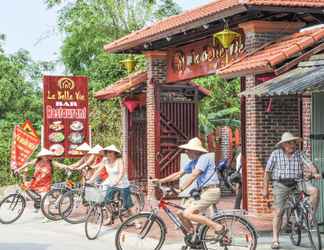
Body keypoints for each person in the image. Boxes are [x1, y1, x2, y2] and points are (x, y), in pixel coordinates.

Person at [153, 137, 226, 239]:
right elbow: (178, 174)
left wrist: (181, 189)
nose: (186, 152)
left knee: (187, 213)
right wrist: (160, 181)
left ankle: (217, 227)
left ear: (195, 151)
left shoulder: (203, 158)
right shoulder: (193, 162)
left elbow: (194, 175)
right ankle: (193, 236)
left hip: (211, 191)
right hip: (202, 192)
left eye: (188, 150)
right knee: (180, 213)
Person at [262, 132, 320, 249]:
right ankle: (275, 240)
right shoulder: (276, 154)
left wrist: (315, 173)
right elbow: (267, 172)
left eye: (293, 142)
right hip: (281, 184)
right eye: (289, 143)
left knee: (315, 191)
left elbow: (310, 164)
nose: (292, 145)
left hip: (298, 182)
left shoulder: (299, 154)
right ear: (283, 145)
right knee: (278, 212)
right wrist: (265, 189)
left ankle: (310, 216)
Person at [88, 145, 137, 225]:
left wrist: (117, 181)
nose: (109, 153)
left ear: (115, 153)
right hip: (112, 184)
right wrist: (91, 180)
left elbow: (122, 172)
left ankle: (136, 221)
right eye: (107, 152)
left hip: (122, 184)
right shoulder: (105, 161)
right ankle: (110, 218)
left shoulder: (119, 160)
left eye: (111, 152)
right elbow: (98, 171)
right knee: (106, 201)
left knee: (128, 205)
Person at [17, 148, 67, 214]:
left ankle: (47, 215)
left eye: (48, 155)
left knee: (45, 199)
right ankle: (38, 204)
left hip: (45, 183)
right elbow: (28, 164)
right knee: (27, 188)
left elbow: (60, 165)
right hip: (36, 181)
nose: (47, 156)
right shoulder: (37, 161)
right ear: (42, 156)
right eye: (45, 155)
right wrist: (18, 169)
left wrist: (68, 167)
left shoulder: (51, 162)